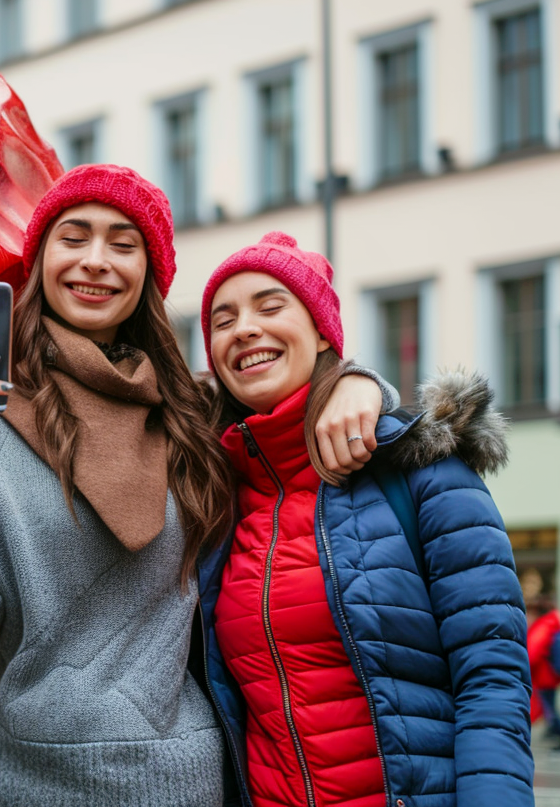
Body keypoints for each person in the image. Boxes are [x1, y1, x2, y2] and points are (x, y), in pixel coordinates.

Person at [0, 167, 394, 806]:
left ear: (148, 275)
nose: (96, 261)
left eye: (123, 244)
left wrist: (358, 381)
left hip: (176, 783)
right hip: (6, 784)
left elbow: (292, 392)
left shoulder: (193, 414)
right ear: (41, 259)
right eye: (74, 238)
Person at [197, 231, 533, 806]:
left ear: (323, 331)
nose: (244, 328)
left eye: (270, 306)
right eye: (222, 320)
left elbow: (492, 679)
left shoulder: (421, 472)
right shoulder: (215, 497)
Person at [528, 593, 560, 751]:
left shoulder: (544, 625)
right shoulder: (552, 623)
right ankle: (557, 734)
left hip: (544, 676)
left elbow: (533, 653)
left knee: (549, 709)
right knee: (549, 708)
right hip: (548, 676)